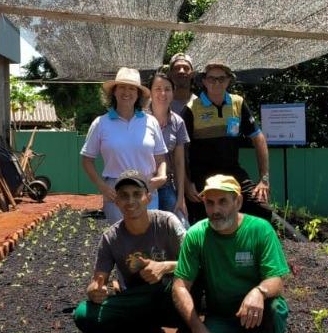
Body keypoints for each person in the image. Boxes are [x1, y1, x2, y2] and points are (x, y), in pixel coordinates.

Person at [173, 176, 290, 333]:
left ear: (238, 202)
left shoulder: (260, 230)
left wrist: (258, 292)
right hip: (224, 315)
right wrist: (198, 329)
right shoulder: (197, 234)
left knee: (275, 308)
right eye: (210, 203)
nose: (216, 210)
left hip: (259, 311)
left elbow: (276, 280)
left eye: (223, 202)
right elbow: (179, 286)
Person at [73, 170, 192, 333]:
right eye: (124, 196)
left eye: (137, 194)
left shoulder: (167, 223)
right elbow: (98, 279)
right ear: (116, 202)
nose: (131, 201)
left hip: (170, 297)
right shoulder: (111, 238)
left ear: (148, 197)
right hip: (136, 300)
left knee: (185, 286)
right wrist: (94, 290)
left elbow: (195, 262)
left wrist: (164, 267)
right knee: (84, 313)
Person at [180, 61, 272, 223]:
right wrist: (187, 184)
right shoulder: (191, 108)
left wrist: (263, 179)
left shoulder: (238, 103)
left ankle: (249, 247)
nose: (216, 83)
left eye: (221, 79)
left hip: (233, 172)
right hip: (202, 175)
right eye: (212, 78)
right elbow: (181, 150)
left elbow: (259, 139)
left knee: (261, 209)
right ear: (204, 81)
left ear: (229, 80)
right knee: (204, 218)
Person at [81, 68, 168, 225]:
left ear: (138, 94)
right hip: (116, 191)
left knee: (147, 240)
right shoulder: (101, 123)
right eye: (122, 87)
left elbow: (161, 158)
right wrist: (103, 187)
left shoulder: (151, 122)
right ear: (114, 91)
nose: (126, 92)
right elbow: (87, 160)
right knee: (121, 241)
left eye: (131, 88)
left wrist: (161, 176)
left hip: (146, 188)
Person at [146, 70, 190, 224]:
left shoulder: (177, 122)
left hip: (166, 185)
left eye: (167, 89)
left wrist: (180, 197)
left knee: (181, 225)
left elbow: (179, 163)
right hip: (144, 185)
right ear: (150, 92)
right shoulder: (139, 119)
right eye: (158, 89)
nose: (162, 93)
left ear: (173, 93)